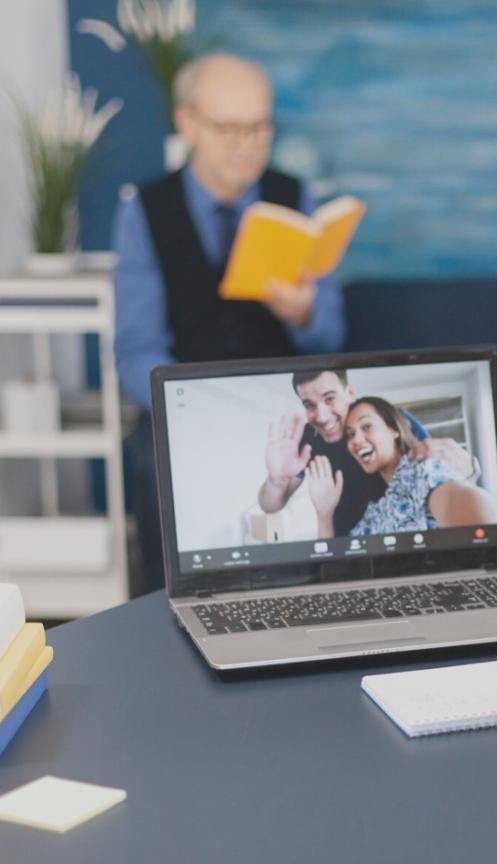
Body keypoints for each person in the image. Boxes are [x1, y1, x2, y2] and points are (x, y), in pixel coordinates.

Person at [113, 53, 346, 591]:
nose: (247, 144)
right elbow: (134, 348)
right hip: (186, 404)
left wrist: (303, 312)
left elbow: (331, 335)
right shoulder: (145, 209)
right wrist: (192, 408)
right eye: (228, 128)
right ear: (187, 122)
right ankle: (167, 608)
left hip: (283, 400)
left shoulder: (293, 197)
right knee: (152, 464)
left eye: (260, 127)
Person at [258, 369, 479, 537]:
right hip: (349, 544)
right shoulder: (306, 439)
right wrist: (276, 480)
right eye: (309, 404)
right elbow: (270, 506)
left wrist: (470, 469)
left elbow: (443, 475)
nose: (322, 416)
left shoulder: (392, 420)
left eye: (329, 398)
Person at [304, 396, 497, 538]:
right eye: (350, 434)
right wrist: (324, 513)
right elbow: (334, 564)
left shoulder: (421, 472)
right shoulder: (375, 511)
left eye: (366, 427)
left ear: (394, 430)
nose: (356, 440)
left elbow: (460, 502)